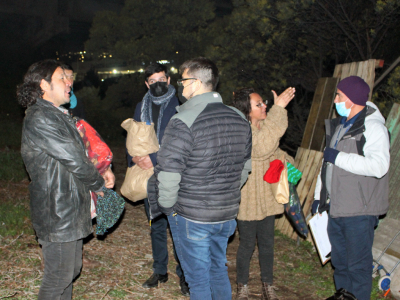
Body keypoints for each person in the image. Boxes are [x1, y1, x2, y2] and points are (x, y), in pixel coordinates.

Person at [149, 57, 253, 300]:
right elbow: (245, 167)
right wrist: (224, 191)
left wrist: (166, 206)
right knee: (218, 270)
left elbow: (169, 171)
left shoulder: (183, 120)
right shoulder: (239, 118)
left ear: (195, 83)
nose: (180, 86)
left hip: (192, 215)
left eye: (183, 80)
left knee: (197, 280)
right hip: (226, 213)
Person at [17, 59, 115, 300]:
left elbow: (84, 152)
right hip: (57, 209)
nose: (69, 82)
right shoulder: (41, 117)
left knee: (70, 270)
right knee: (58, 276)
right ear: (44, 84)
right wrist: (100, 186)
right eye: (62, 77)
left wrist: (104, 168)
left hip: (69, 206)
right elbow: (74, 160)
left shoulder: (57, 115)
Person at [312, 76, 390, 300]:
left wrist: (340, 157)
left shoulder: (373, 128)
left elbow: (379, 166)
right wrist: (320, 196)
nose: (335, 99)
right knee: (341, 265)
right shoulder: (341, 126)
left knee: (358, 269)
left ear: (353, 99)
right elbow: (327, 164)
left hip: (359, 211)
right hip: (337, 208)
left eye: (339, 96)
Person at [125, 63, 189, 295]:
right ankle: (160, 270)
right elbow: (133, 136)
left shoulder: (181, 104)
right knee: (157, 224)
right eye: (153, 81)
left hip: (174, 173)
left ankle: (184, 275)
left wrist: (153, 157)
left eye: (162, 79)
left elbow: (182, 141)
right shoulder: (141, 106)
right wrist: (134, 158)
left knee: (179, 225)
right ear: (146, 84)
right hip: (148, 174)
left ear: (169, 80)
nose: (158, 84)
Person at [231, 87, 295, 300]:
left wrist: (291, 167)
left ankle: (268, 285)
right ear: (246, 111)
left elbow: (275, 149)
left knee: (267, 243)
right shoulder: (242, 130)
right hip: (248, 197)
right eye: (258, 104)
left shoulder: (266, 127)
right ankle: (243, 287)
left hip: (267, 196)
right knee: (247, 244)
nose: (264, 106)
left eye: (264, 102)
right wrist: (279, 109)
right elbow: (262, 146)